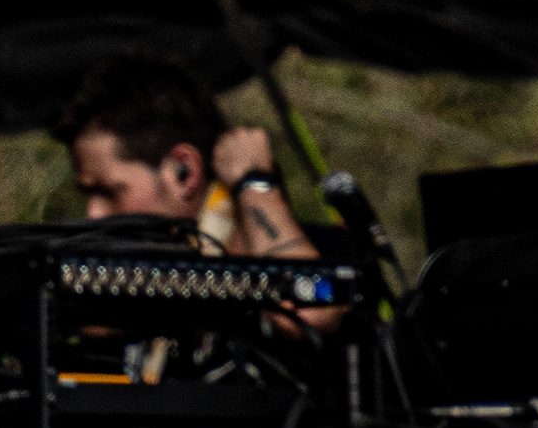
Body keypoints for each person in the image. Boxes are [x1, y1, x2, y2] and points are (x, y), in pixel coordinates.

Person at [51, 55, 345, 337]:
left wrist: (255, 182)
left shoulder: (330, 253)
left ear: (184, 172)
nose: (93, 213)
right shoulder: (129, 292)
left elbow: (309, 315)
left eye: (108, 191)